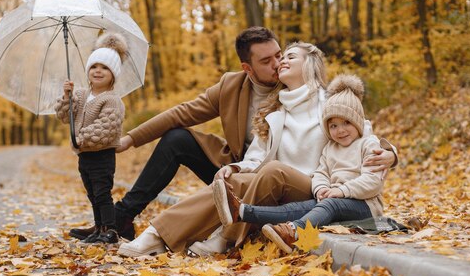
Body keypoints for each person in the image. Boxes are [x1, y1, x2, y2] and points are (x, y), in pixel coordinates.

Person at [117, 42, 397, 257]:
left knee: (273, 171)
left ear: (310, 64)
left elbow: (364, 132)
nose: (282, 61)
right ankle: (157, 234)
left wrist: (391, 153)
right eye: (281, 57)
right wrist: (235, 167)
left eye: (291, 56)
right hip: (273, 186)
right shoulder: (274, 108)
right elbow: (257, 157)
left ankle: (223, 236)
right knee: (233, 179)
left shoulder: (331, 101)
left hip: (315, 188)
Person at [68, 26, 283, 241]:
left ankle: (114, 221)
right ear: (247, 68)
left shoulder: (293, 83)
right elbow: (183, 112)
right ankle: (121, 217)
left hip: (274, 178)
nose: (277, 65)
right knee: (177, 139)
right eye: (266, 61)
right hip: (234, 171)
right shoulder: (232, 85)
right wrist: (130, 139)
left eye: (279, 55)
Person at [215, 74, 387, 254]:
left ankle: (294, 231)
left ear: (357, 122)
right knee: (298, 208)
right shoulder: (330, 148)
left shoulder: (368, 144)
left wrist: (341, 191)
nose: (340, 130)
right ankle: (241, 211)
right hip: (335, 200)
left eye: (346, 123)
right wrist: (320, 188)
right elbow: (322, 172)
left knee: (331, 205)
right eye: (333, 126)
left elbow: (372, 182)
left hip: (365, 205)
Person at [54, 33, 126, 244]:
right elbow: (63, 116)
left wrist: (79, 138)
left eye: (105, 68)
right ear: (88, 71)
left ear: (113, 75)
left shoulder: (112, 100)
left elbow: (105, 129)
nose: (98, 71)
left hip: (102, 156)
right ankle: (98, 227)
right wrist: (67, 97)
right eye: (94, 66)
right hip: (84, 156)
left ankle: (110, 229)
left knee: (103, 192)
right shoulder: (81, 95)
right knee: (92, 193)